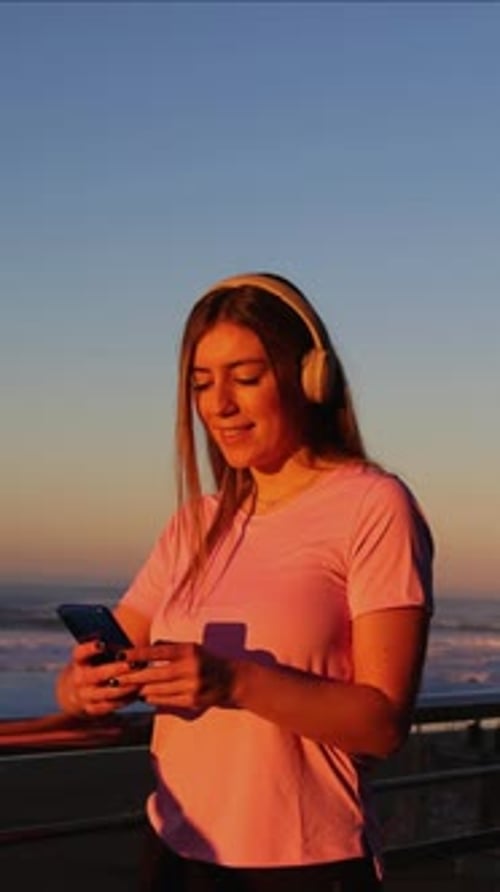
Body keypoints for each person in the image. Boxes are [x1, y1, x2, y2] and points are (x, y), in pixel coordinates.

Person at [56, 272, 433, 891]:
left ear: (310, 378)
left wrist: (233, 679)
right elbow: (87, 675)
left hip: (303, 866)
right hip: (177, 853)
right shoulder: (195, 525)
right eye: (202, 384)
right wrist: (86, 685)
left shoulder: (373, 505)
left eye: (247, 377)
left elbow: (382, 724)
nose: (219, 404)